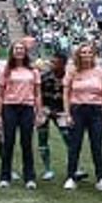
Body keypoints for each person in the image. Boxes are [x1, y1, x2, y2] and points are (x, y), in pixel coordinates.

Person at [62, 44, 102, 191]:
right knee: (74, 145)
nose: (86, 55)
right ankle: (71, 176)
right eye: (83, 52)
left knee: (97, 145)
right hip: (77, 109)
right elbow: (66, 94)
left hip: (95, 110)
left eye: (89, 52)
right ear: (79, 55)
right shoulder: (72, 72)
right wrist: (67, 113)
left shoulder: (99, 72)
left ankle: (101, 178)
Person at [0, 42, 41, 188]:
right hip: (10, 107)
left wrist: (38, 112)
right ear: (12, 52)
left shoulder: (33, 71)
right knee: (8, 143)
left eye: (22, 49)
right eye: (16, 49)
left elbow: (37, 94)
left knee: (27, 143)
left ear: (25, 52)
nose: (19, 51)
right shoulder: (6, 71)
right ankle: (5, 176)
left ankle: (29, 177)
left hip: (27, 108)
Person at [35, 52, 65, 184]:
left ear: (63, 63)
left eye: (55, 62)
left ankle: (75, 167)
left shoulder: (69, 77)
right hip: (45, 110)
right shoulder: (44, 77)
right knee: (42, 139)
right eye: (51, 62)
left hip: (61, 111)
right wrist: (40, 110)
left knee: (69, 137)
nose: (51, 64)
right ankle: (47, 169)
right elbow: (37, 94)